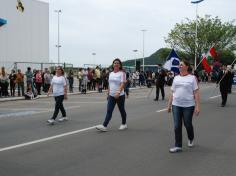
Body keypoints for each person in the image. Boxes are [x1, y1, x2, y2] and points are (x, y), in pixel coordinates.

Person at [167, 60, 200, 153]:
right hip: (176, 104)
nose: (180, 66)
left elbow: (196, 92)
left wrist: (198, 106)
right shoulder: (176, 78)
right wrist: (169, 105)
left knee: (187, 124)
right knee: (177, 125)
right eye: (179, 65)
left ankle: (191, 137)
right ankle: (178, 146)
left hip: (188, 105)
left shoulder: (192, 78)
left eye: (182, 65)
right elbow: (172, 92)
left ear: (187, 66)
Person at [96, 58, 127, 132]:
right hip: (111, 95)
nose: (116, 64)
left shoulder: (122, 73)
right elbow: (110, 84)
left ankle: (124, 124)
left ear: (120, 65)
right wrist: (108, 93)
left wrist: (118, 92)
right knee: (109, 110)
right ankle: (104, 126)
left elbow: (123, 83)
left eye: (117, 63)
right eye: (115, 63)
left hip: (120, 96)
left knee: (121, 110)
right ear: (113, 64)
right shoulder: (111, 73)